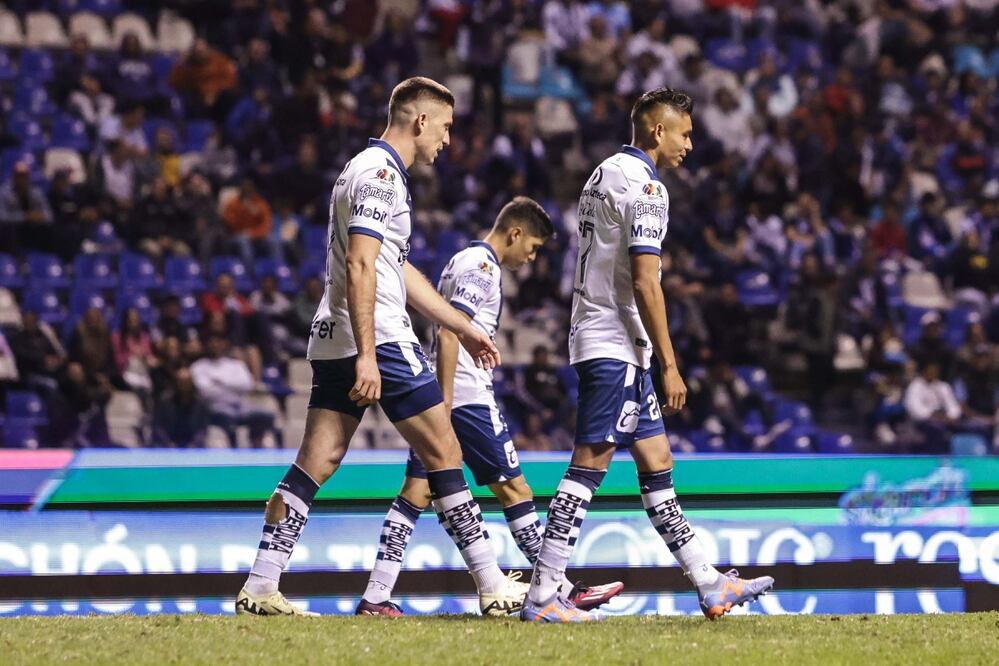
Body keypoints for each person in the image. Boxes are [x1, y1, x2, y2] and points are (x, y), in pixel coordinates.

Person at [236, 77, 527, 617]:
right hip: (380, 336)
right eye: (444, 127)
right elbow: (361, 264)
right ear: (420, 121)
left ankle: (260, 583)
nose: (446, 139)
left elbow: (393, 267)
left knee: (317, 460)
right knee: (445, 452)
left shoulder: (369, 170)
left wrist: (460, 326)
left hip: (335, 334)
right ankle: (491, 585)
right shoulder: (379, 175)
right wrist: (370, 353)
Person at [520, 88, 774, 623]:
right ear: (658, 130)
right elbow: (645, 280)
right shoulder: (648, 187)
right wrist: (671, 362)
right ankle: (542, 596)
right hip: (614, 342)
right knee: (589, 464)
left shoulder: (601, 173)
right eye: (684, 132)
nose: (690, 143)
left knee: (657, 461)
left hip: (610, 338)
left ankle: (709, 583)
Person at [356, 197, 623, 616]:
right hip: (465, 399)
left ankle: (375, 596)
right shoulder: (482, 268)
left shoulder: (462, 260)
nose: (530, 257)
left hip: (447, 394)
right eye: (532, 247)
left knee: (416, 493)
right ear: (514, 233)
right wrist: (443, 405)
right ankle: (558, 590)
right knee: (514, 489)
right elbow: (448, 332)